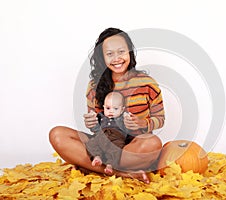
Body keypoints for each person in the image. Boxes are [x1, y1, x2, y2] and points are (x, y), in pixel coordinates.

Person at [49, 27, 165, 183]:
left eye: (121, 52)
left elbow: (160, 118)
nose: (116, 58)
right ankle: (121, 173)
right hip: (103, 144)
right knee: (57, 134)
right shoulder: (94, 86)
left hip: (132, 146)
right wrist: (91, 122)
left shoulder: (147, 84)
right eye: (110, 54)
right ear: (102, 58)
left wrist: (143, 123)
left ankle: (91, 166)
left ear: (129, 52)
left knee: (153, 144)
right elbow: (96, 127)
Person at [86, 91, 130, 175]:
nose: (111, 111)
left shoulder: (122, 118)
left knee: (116, 150)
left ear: (122, 110)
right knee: (91, 143)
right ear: (104, 107)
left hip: (116, 137)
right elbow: (95, 129)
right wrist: (93, 122)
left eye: (115, 108)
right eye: (108, 108)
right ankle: (97, 157)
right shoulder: (101, 116)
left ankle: (110, 165)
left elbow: (128, 129)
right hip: (101, 136)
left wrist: (127, 118)